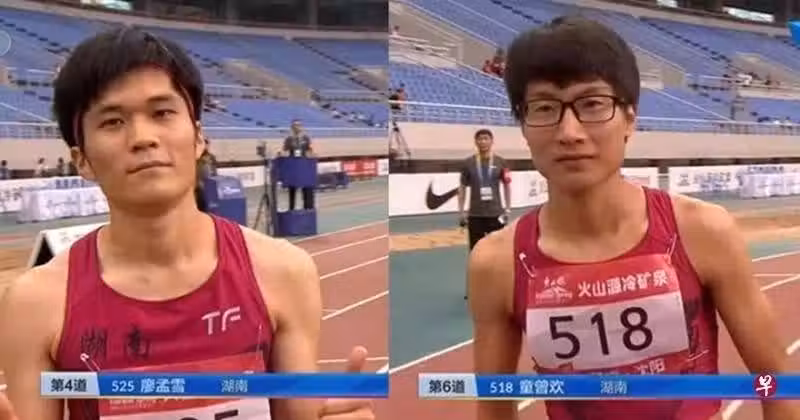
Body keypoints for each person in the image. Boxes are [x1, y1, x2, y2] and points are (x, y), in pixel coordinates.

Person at [0, 28, 374, 420]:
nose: (143, 138)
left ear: (198, 138)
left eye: (162, 113)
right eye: (112, 122)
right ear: (82, 161)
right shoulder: (35, 305)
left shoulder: (284, 272)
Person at [467, 17, 800, 420]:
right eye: (544, 108)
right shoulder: (496, 264)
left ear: (630, 117)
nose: (569, 132)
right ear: (523, 125)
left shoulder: (703, 231)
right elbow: (493, 408)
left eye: (592, 104)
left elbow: (775, 382)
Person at [458, 128, 510, 299]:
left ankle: (500, 287)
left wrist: (507, 208)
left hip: (496, 214)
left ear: (491, 141)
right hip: (475, 215)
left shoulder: (501, 162)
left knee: (499, 253)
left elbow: (507, 185)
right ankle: (475, 288)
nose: (483, 142)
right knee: (475, 254)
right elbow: (462, 188)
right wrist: (461, 211)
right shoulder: (468, 163)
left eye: (486, 138)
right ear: (476, 142)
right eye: (480, 139)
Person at [281, 119, 315, 211]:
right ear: (292, 127)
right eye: (295, 125)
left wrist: (312, 156)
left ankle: (307, 209)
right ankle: (291, 209)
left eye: (299, 125)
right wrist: (281, 154)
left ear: (302, 127)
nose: (297, 127)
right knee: (292, 189)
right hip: (293, 167)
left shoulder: (306, 138)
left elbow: (310, 151)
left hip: (303, 166)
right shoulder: (288, 139)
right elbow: (284, 151)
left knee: (306, 188)